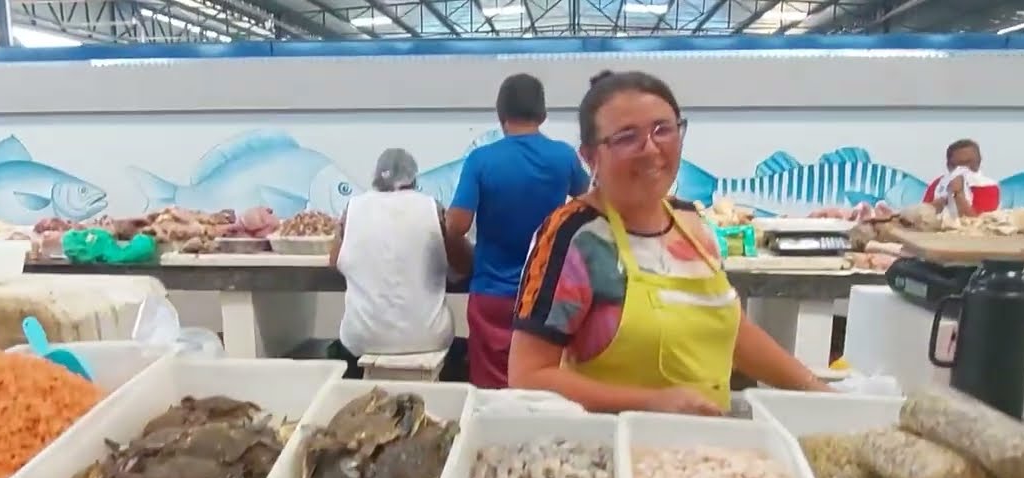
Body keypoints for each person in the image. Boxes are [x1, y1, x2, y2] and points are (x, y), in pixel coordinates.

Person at [509, 70, 830, 415]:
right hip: (614, 448)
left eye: (663, 129)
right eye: (626, 137)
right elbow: (528, 375)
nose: (650, 149)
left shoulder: (691, 222)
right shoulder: (576, 237)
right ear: (590, 157)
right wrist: (650, 404)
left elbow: (734, 331)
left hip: (704, 452)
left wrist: (817, 391)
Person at [445, 73, 590, 389]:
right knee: (537, 384)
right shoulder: (564, 156)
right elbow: (588, 203)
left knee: (490, 389)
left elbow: (457, 225)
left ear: (500, 114)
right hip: (545, 294)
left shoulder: (481, 160)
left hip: (491, 295)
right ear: (543, 113)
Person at [328, 148, 472, 379]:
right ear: (414, 178)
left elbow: (334, 261)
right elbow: (464, 266)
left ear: (375, 177)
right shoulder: (432, 208)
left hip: (363, 338)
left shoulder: (352, 209)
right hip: (428, 338)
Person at [922, 139, 1000, 218]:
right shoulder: (939, 184)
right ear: (948, 165)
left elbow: (977, 223)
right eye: (958, 165)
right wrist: (937, 205)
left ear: (979, 161)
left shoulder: (986, 186)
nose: (964, 169)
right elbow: (921, 216)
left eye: (969, 163)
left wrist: (959, 195)